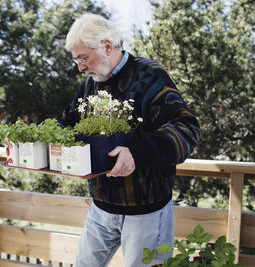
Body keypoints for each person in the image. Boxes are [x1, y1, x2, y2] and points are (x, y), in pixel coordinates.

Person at [58, 13, 200, 267]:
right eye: (76, 60)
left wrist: (136, 152)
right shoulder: (91, 84)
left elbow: (186, 129)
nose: (80, 67)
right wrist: (37, 142)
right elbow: (66, 122)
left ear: (107, 46)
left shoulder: (149, 76)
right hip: (101, 208)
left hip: (147, 212)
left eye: (83, 58)